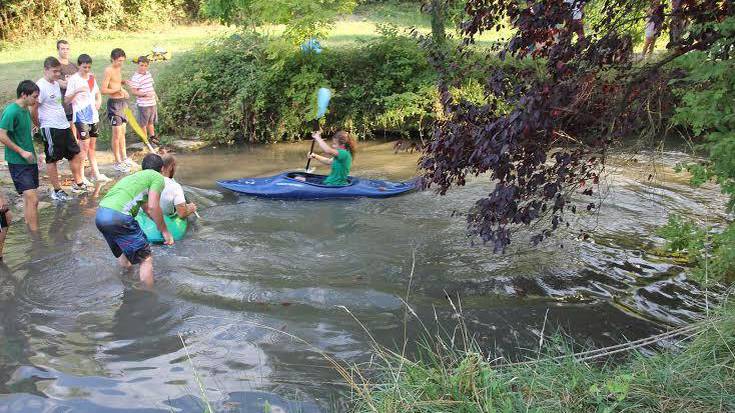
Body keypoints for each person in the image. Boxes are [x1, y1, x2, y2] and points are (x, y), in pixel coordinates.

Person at [95, 153, 173, 288]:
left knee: (124, 257)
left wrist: (158, 225)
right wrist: (165, 231)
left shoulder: (135, 178)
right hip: (119, 216)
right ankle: (149, 297)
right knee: (146, 259)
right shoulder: (157, 177)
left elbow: (148, 209)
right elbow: (154, 207)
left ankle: (127, 284)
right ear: (162, 170)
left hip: (101, 215)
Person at [32, 57, 86, 200]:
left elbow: (68, 84)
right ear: (46, 70)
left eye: (59, 71)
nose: (57, 74)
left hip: (64, 125)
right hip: (50, 127)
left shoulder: (56, 83)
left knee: (75, 153)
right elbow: (34, 108)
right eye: (54, 71)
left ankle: (78, 183)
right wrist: (39, 125)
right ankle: (57, 190)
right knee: (52, 158)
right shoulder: (40, 86)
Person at [0, 80, 40, 243]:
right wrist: (21, 151)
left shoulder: (25, 110)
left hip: (30, 160)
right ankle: (37, 239)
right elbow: (2, 135)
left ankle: (29, 230)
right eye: (34, 97)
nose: (36, 100)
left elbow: (22, 133)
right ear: (24, 94)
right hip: (18, 161)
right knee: (33, 199)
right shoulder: (11, 111)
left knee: (29, 200)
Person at [65, 54, 111, 184]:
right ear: (79, 66)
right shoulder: (73, 79)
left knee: (92, 146)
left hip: (93, 116)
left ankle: (95, 173)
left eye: (89, 67)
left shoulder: (91, 77)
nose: (86, 69)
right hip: (80, 116)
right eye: (84, 67)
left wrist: (99, 101)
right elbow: (66, 100)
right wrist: (77, 91)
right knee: (83, 147)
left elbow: (97, 93)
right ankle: (81, 176)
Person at [101, 48, 134, 173]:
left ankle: (124, 157)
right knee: (116, 134)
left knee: (122, 133)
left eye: (122, 61)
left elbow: (116, 83)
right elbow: (104, 90)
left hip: (122, 103)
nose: (121, 63)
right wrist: (118, 91)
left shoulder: (118, 69)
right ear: (113, 59)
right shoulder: (108, 70)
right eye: (119, 61)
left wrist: (124, 82)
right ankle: (117, 161)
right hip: (114, 105)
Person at [128, 56, 159, 146]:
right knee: (143, 124)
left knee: (151, 122)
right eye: (141, 65)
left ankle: (152, 138)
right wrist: (145, 94)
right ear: (138, 65)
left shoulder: (148, 74)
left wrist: (155, 95)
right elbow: (134, 91)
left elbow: (151, 86)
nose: (143, 68)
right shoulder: (136, 77)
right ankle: (145, 140)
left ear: (148, 66)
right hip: (143, 104)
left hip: (152, 103)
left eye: (145, 66)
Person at [56, 40, 78, 135]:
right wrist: (74, 83)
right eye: (63, 49)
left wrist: (70, 81)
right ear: (58, 50)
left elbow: (83, 81)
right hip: (63, 104)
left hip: (77, 104)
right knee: (69, 134)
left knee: (78, 134)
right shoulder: (56, 66)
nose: (65, 51)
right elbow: (62, 85)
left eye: (67, 49)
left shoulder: (73, 66)